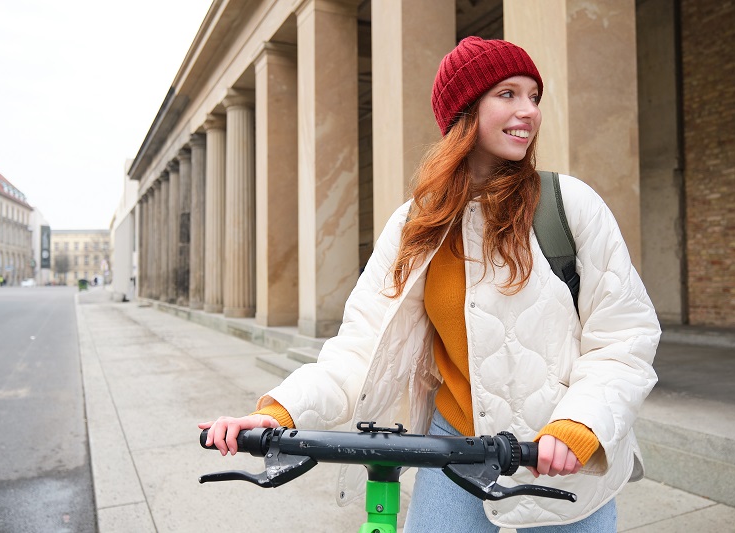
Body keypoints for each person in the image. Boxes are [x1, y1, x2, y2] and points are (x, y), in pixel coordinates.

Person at [199, 37, 660, 532]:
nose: (528, 111)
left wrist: (580, 426)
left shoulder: (569, 204)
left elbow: (623, 339)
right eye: (507, 94)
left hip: (558, 458)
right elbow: (360, 348)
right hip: (453, 445)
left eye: (533, 96)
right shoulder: (415, 225)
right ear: (464, 111)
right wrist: (280, 412)